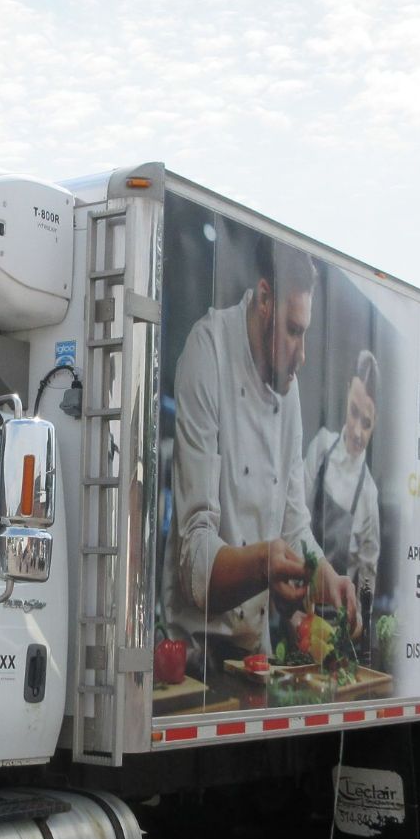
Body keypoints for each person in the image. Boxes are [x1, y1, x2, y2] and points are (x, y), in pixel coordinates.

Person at [168, 233, 361, 667]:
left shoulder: (287, 392)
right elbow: (193, 557)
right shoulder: (209, 351)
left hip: (256, 655)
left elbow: (294, 526)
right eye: (294, 331)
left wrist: (325, 577)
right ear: (264, 299)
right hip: (194, 658)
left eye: (305, 332)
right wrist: (263, 564)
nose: (304, 355)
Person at [306, 350, 382, 602]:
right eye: (353, 413)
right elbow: (292, 520)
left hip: (335, 621)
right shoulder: (321, 448)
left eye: (367, 422)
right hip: (297, 603)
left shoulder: (369, 494)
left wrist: (357, 619)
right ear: (347, 391)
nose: (358, 431)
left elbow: (367, 574)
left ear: (376, 422)